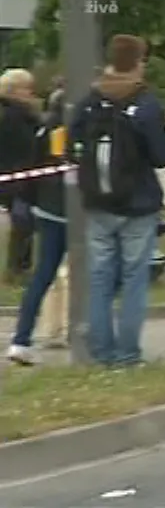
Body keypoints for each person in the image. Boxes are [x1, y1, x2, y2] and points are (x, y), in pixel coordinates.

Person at [69, 33, 165, 367]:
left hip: (99, 203)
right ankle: (128, 356)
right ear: (140, 62)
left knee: (99, 280)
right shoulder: (146, 105)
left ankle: (101, 355)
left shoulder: (89, 101)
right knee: (133, 281)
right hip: (138, 204)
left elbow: (72, 146)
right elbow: (161, 157)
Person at [5, 73, 67, 365]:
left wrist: (29, 200)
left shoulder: (45, 125)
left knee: (44, 272)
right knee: (100, 271)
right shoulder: (78, 122)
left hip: (46, 204)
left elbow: (35, 163)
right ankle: (95, 337)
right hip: (72, 206)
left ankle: (22, 338)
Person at [0, 68, 40, 286]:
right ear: (14, 90)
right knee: (23, 222)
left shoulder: (18, 114)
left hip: (18, 177)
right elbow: (22, 147)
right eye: (27, 88)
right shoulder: (15, 116)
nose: (31, 93)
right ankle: (17, 269)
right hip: (18, 178)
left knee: (24, 224)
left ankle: (19, 267)